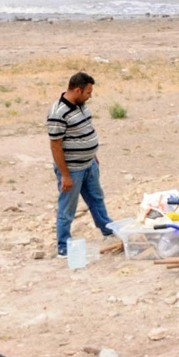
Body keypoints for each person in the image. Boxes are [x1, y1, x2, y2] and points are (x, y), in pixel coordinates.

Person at [47, 72, 114, 257]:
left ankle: (107, 228)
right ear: (77, 90)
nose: (90, 96)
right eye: (88, 92)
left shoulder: (81, 105)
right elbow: (55, 146)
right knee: (67, 208)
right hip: (72, 170)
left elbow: (85, 130)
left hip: (89, 164)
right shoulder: (58, 113)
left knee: (96, 198)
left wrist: (93, 155)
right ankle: (63, 246)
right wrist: (65, 175)